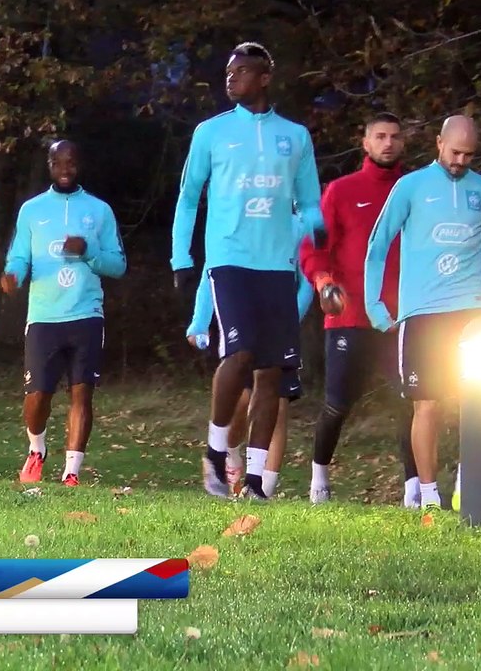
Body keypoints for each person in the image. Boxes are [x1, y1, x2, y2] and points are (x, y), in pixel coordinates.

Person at [170, 41, 323, 500]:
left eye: (240, 72)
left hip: (277, 264)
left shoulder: (294, 136)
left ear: (264, 78)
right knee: (238, 356)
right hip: (229, 259)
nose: (231, 79)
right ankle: (215, 451)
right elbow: (187, 198)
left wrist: (320, 239)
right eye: (228, 72)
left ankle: (255, 481)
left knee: (272, 371)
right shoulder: (211, 133)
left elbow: (310, 202)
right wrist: (181, 258)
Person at [362, 115, 481, 511]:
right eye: (455, 152)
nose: (460, 161)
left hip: (470, 312)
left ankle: (468, 483)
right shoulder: (411, 186)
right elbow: (378, 243)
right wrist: (375, 305)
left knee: (479, 400)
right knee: (427, 403)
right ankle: (428, 496)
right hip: (422, 311)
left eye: (469, 155)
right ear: (439, 143)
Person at [299, 112, 418, 506]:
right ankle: (319, 478)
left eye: (395, 136)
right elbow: (313, 248)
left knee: (411, 400)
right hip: (349, 315)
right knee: (338, 402)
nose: (388, 143)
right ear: (365, 143)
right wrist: (323, 281)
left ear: (403, 142)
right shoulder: (341, 191)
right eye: (380, 136)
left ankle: (414, 489)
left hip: (402, 317)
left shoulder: (416, 190)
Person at [3, 140, 127, 486]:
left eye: (71, 163)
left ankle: (72, 471)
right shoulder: (32, 210)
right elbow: (19, 257)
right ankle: (37, 449)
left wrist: (88, 251)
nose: (65, 170)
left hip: (86, 313)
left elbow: (118, 264)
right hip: (44, 316)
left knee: (81, 392)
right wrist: (13, 276)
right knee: (37, 397)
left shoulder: (99, 210)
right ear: (49, 165)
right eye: (58, 163)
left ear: (79, 164)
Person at [186, 248, 313, 497]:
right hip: (244, 316)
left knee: (278, 404)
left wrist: (289, 319)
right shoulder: (235, 234)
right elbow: (213, 264)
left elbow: (307, 278)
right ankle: (230, 452)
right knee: (242, 401)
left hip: (278, 312)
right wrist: (199, 321)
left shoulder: (294, 230)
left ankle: (261, 487)